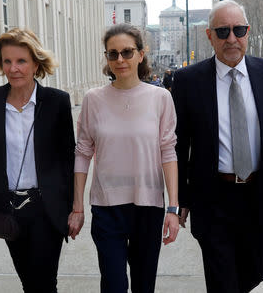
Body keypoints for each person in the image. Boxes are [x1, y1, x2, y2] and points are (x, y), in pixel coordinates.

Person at [171, 0, 263, 292]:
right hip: (212, 198)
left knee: (255, 270)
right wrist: (180, 197)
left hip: (259, 195)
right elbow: (179, 146)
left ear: (248, 32)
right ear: (209, 36)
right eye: (222, 31)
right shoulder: (187, 81)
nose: (231, 38)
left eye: (238, 30)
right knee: (223, 280)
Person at [0, 28, 75, 293]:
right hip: (8, 208)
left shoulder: (57, 102)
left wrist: (72, 208)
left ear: (36, 63)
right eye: (7, 61)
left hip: (46, 208)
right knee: (28, 281)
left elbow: (68, 160)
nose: (14, 68)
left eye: (21, 61)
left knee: (44, 282)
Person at [68, 23, 179, 293]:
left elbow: (168, 151)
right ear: (106, 58)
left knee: (144, 285)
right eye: (112, 54)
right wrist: (77, 207)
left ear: (141, 55)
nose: (120, 60)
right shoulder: (93, 99)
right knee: (114, 284)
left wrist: (173, 208)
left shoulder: (161, 98)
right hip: (106, 207)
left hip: (148, 206)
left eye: (127, 52)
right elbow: (83, 153)